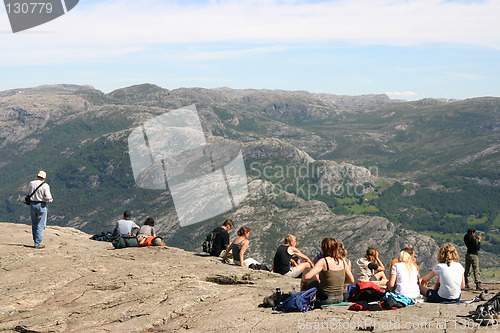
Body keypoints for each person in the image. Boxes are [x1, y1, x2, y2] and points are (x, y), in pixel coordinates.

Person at [302, 238, 354, 304]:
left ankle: (303, 297)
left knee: (307, 270)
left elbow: (307, 277)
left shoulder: (324, 261)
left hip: (325, 298)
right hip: (340, 298)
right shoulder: (342, 261)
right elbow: (351, 281)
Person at [27, 171, 53, 249]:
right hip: (41, 205)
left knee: (34, 223)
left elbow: (29, 193)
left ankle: (35, 240)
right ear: (44, 178)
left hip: (32, 204)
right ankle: (38, 243)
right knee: (41, 224)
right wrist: (49, 199)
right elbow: (48, 197)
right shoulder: (45, 185)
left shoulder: (31, 183)